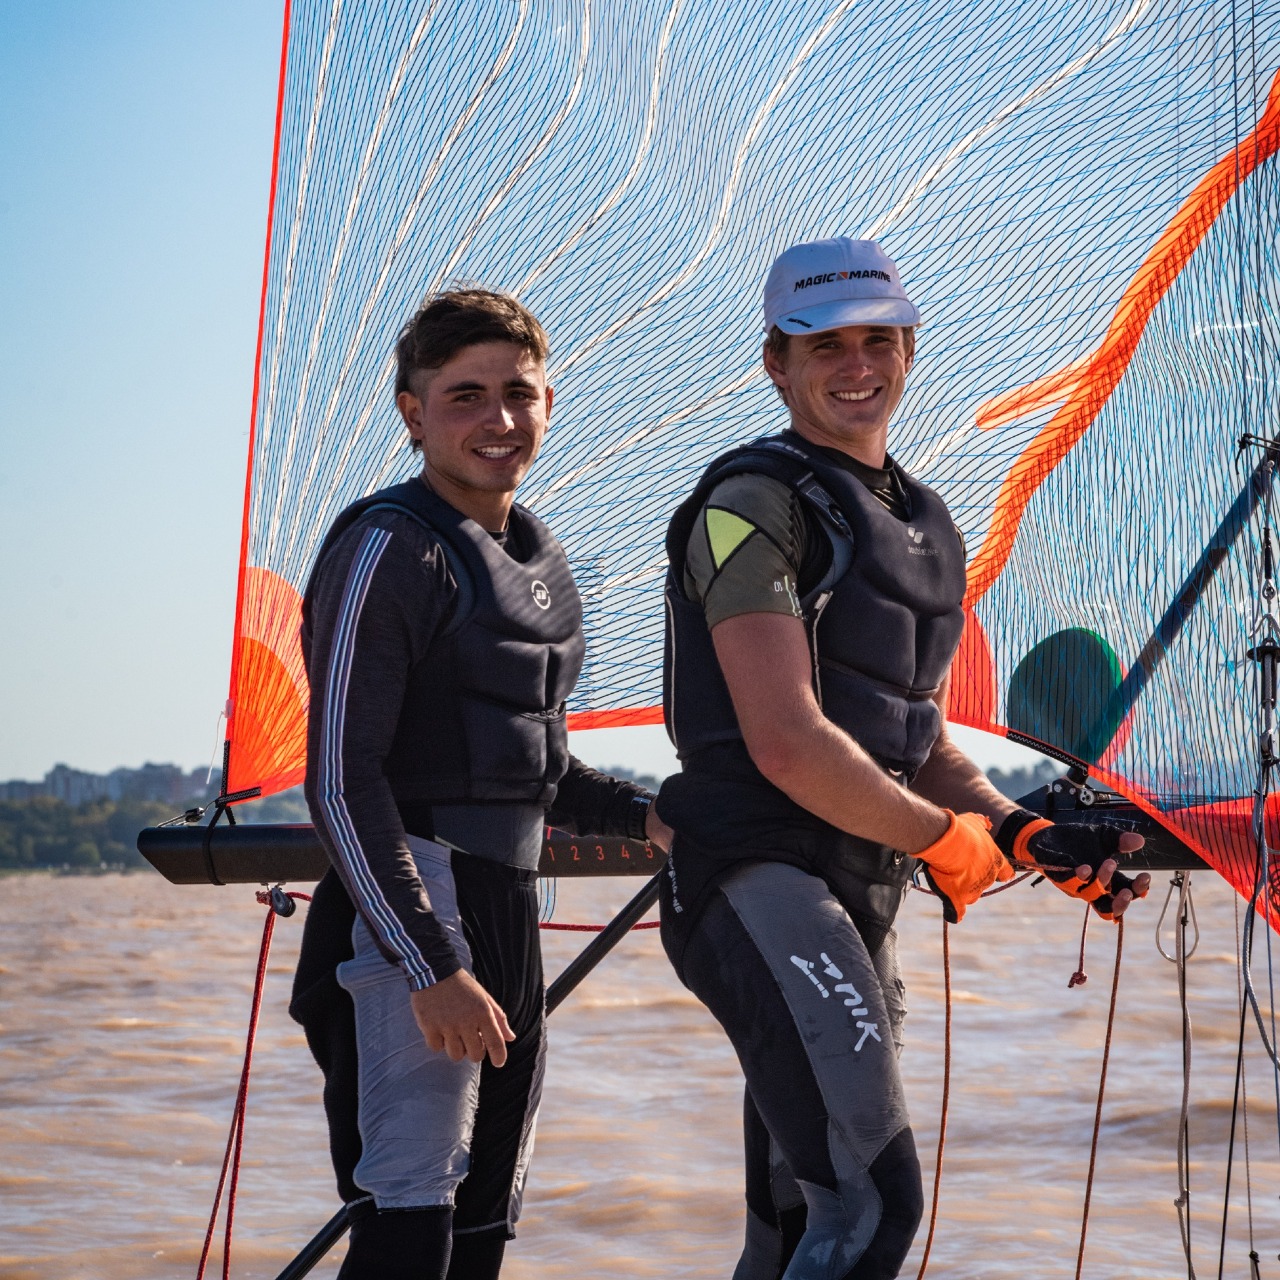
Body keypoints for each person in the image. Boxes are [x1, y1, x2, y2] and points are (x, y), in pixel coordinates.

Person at [654, 237, 1151, 1280]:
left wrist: (1024, 833)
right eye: (820, 343)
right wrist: (943, 842)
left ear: (909, 346)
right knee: (871, 1206)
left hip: (857, 894)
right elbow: (787, 743)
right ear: (773, 362)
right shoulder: (747, 504)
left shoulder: (924, 521)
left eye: (876, 338)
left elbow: (917, 747)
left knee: (795, 1223)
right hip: (758, 882)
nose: (853, 364)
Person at [288, 288, 673, 1280]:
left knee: (484, 1221)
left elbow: (531, 760)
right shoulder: (388, 546)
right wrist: (429, 966)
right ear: (411, 410)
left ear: (549, 402)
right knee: (410, 1213)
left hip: (506, 908)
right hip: (413, 913)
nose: (498, 420)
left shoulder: (538, 556)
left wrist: (645, 814)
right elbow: (336, 778)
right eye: (464, 395)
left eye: (520, 392)